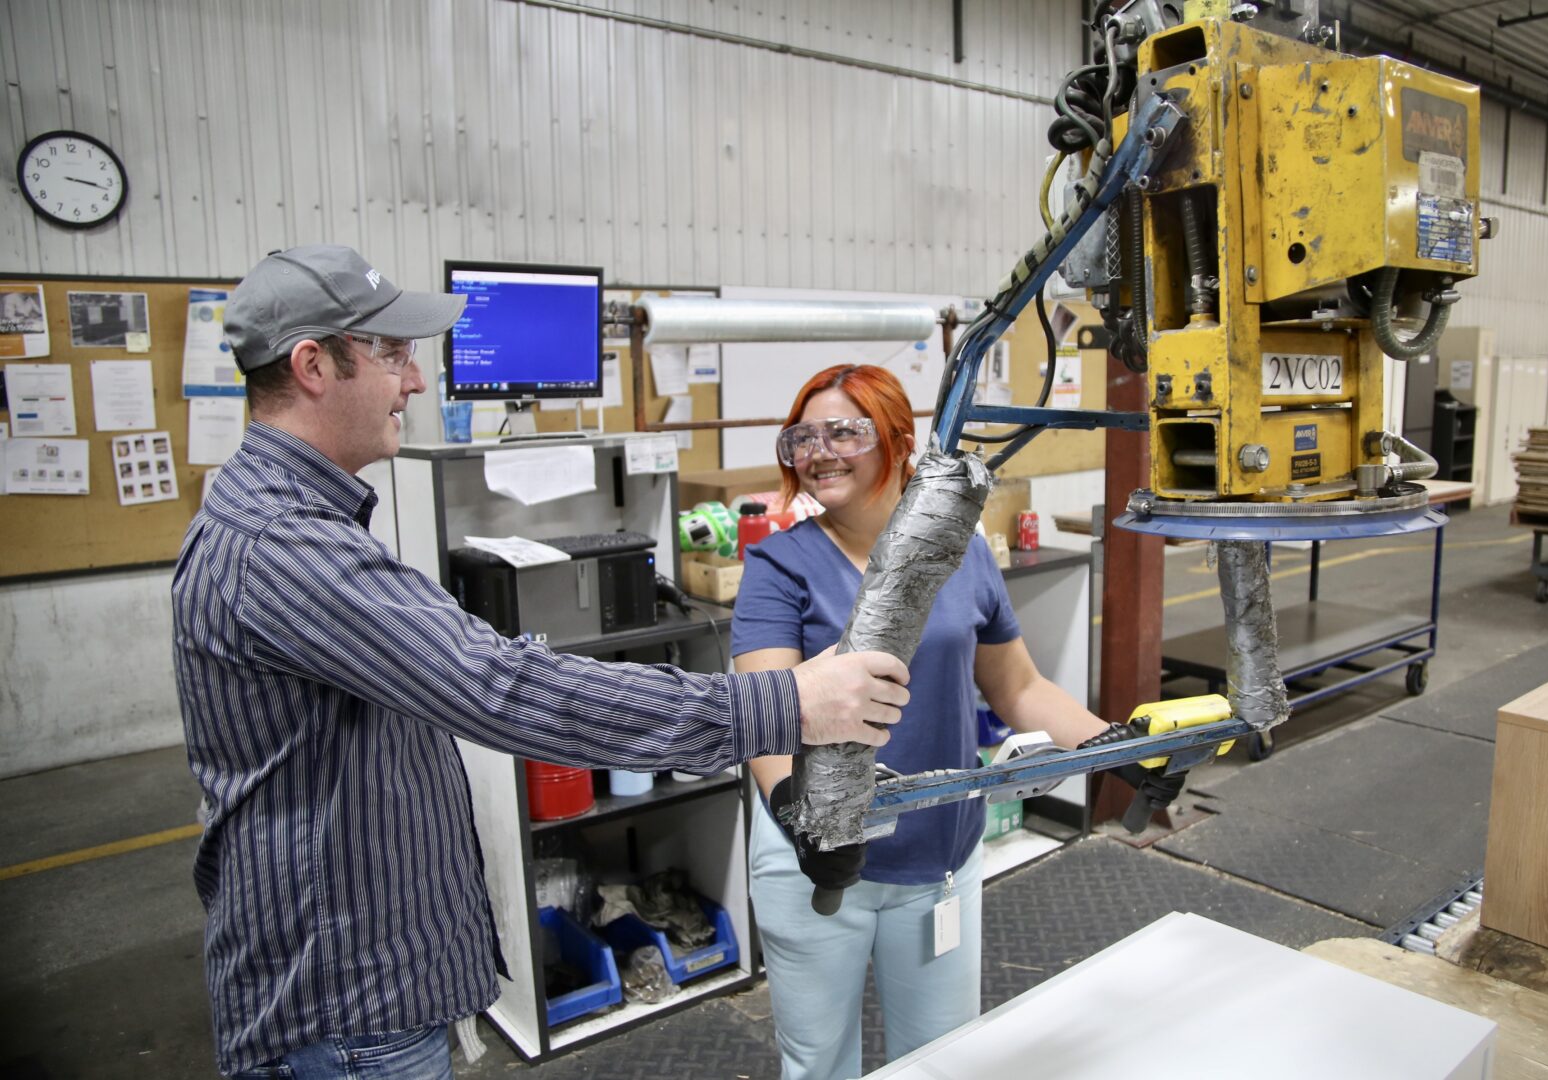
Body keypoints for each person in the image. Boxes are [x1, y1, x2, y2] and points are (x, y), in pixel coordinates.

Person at [172, 247, 911, 1079]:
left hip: (357, 984)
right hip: (344, 1006)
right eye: (391, 354)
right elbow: (500, 686)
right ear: (313, 364)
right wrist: (783, 704)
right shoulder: (284, 543)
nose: (414, 382)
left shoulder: (301, 518)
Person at [732, 364, 1184, 1079]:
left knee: (944, 1056)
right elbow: (765, 717)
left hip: (935, 851)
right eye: (802, 438)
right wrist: (800, 818)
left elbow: (1019, 687)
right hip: (812, 855)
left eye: (842, 432)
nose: (818, 452)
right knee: (817, 1061)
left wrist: (1110, 748)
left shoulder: (963, 553)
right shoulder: (780, 566)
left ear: (896, 440)